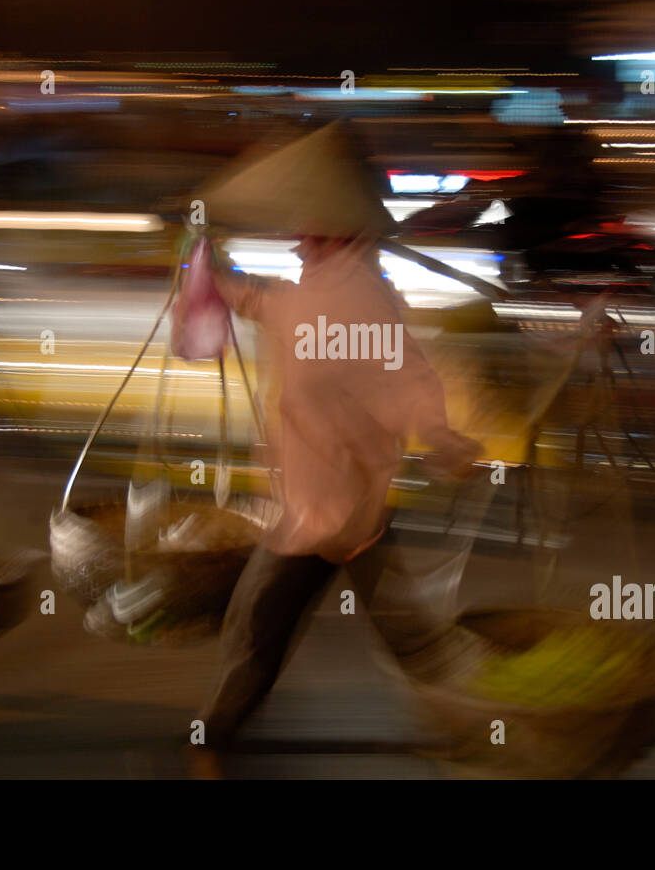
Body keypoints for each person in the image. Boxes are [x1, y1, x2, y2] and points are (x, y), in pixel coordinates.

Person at [189, 224, 482, 777]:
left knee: (259, 628)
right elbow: (255, 298)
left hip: (320, 511)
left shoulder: (352, 304)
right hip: (346, 505)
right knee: (401, 627)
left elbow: (404, 381)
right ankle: (460, 721)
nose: (298, 247)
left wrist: (440, 437)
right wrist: (207, 258)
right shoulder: (316, 298)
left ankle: (211, 740)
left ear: (339, 242)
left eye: (311, 238)